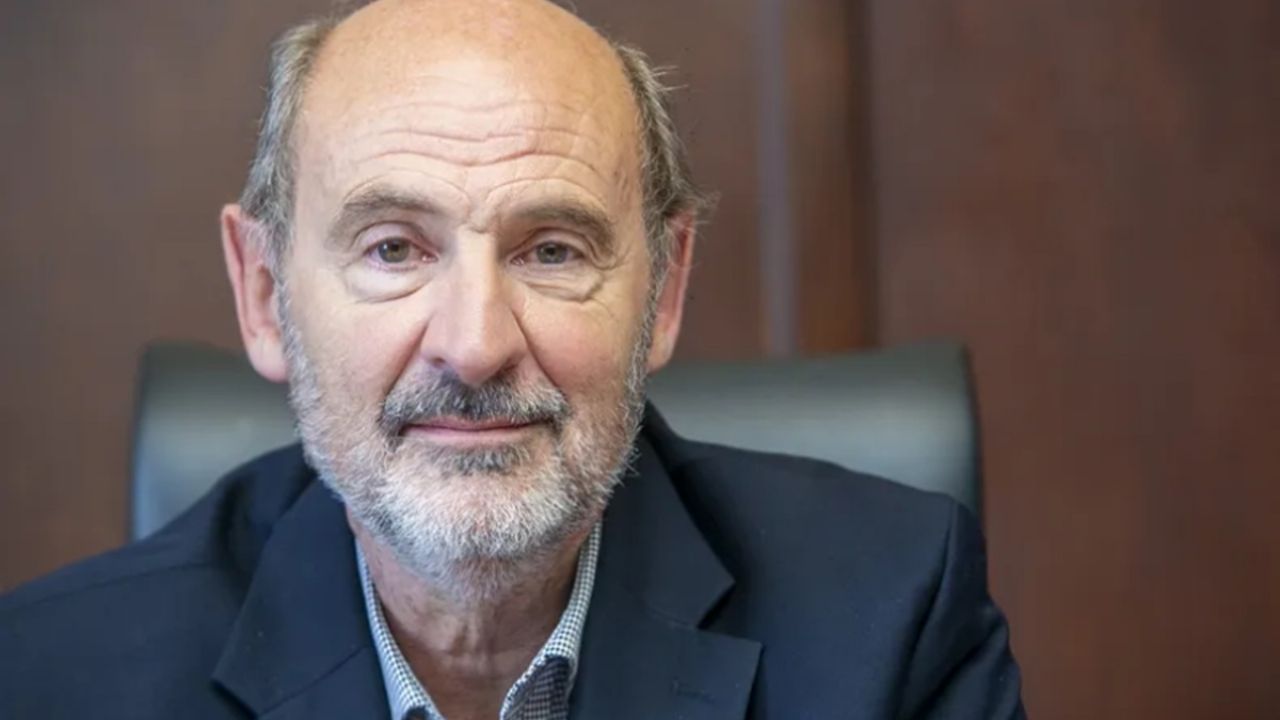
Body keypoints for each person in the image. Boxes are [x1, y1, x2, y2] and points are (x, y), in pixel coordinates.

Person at [0, 0, 1025, 717]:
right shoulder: (52, 679)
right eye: (393, 249)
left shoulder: (890, 625)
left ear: (663, 293)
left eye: (552, 251)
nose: (476, 344)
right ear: (265, 296)